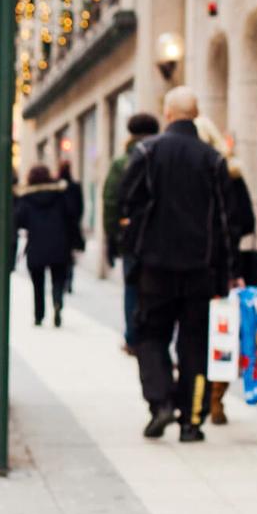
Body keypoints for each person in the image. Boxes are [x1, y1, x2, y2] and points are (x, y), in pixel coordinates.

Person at [120, 87, 235, 443]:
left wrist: (132, 252)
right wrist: (225, 272)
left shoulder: (146, 152)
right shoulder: (213, 160)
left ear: (167, 113)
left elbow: (128, 203)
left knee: (150, 334)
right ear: (195, 114)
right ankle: (192, 420)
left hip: (155, 267)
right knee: (194, 343)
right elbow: (224, 222)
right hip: (200, 269)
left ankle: (160, 403)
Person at [195, 116, 255, 425]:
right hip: (224, 265)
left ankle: (200, 397)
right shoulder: (231, 171)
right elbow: (247, 221)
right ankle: (216, 398)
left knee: (197, 333)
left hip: (197, 265)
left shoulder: (191, 172)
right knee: (223, 332)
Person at [102, 112, 161, 354]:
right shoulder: (161, 156)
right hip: (159, 238)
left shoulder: (122, 162)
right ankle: (154, 339)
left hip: (131, 237)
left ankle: (133, 339)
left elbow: (110, 201)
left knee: (132, 289)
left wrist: (113, 235)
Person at [15, 165, 79, 326]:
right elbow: (71, 214)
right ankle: (57, 302)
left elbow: (19, 219)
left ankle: (39, 315)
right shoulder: (59, 194)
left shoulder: (27, 197)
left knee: (38, 283)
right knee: (58, 279)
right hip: (59, 244)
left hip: (36, 245)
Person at [56, 159, 86, 296]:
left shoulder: (56, 187)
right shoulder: (75, 186)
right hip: (71, 227)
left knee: (62, 257)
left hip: (60, 227)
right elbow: (80, 208)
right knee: (69, 257)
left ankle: (63, 282)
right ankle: (68, 282)